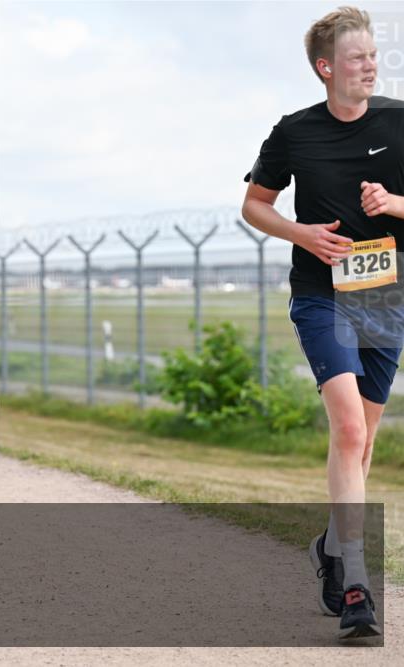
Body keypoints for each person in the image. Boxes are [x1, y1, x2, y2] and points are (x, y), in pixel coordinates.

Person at [242, 6, 401, 640]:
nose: (372, 65)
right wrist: (301, 234)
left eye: (373, 55)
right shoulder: (293, 132)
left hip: (386, 299)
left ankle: (330, 548)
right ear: (326, 68)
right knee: (346, 426)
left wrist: (393, 203)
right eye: (358, 56)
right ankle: (358, 583)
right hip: (321, 296)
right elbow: (256, 205)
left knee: (362, 444)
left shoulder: (398, 119)